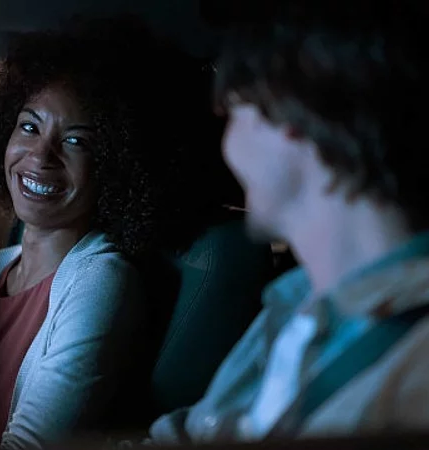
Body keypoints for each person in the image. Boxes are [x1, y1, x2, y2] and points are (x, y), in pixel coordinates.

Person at [0, 16, 238, 450]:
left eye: (76, 142)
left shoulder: (100, 281)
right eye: (29, 126)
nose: (40, 155)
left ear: (118, 164)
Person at [149, 1, 429, 444]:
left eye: (235, 111)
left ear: (288, 113)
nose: (228, 146)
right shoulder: (295, 304)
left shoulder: (414, 362)